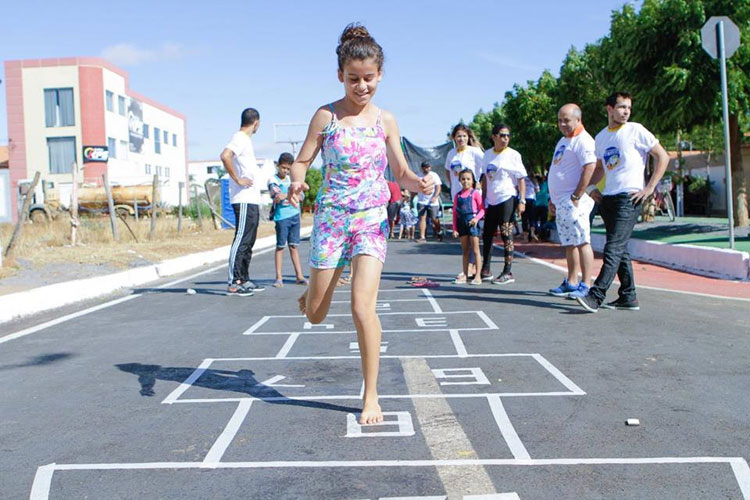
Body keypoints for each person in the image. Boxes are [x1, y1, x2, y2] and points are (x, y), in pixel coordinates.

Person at [287, 23, 434, 424]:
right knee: (316, 314)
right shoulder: (326, 116)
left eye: (369, 78)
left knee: (361, 307)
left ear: (380, 75)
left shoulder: (386, 121)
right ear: (341, 75)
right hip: (331, 219)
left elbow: (400, 172)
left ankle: (371, 395)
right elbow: (302, 161)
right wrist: (297, 181)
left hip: (370, 220)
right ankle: (312, 295)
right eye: (354, 79)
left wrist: (416, 183)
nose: (362, 86)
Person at [576, 92, 669, 312]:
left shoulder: (636, 130)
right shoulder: (601, 137)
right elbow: (599, 168)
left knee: (613, 247)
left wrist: (649, 188)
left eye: (628, 107)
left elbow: (662, 156)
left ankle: (596, 295)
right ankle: (628, 296)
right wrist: (590, 189)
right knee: (620, 249)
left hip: (630, 197)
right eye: (621, 107)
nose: (626, 111)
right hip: (609, 197)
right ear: (609, 109)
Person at [547, 104, 597, 299]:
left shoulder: (584, 141)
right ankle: (572, 281)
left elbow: (590, 167)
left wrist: (577, 195)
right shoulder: (562, 141)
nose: (562, 124)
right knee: (570, 243)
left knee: (583, 241)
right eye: (559, 120)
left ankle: (586, 283)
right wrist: (553, 199)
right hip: (561, 203)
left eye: (566, 120)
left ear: (578, 119)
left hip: (576, 202)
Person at [220, 107, 266, 296]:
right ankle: (233, 281)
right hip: (243, 198)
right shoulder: (239, 137)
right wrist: (238, 180)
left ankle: (243, 279)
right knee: (241, 239)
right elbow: (225, 155)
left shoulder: (246, 140)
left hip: (252, 199)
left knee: (249, 241)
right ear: (256, 122)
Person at [479, 124, 527, 285]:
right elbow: (485, 179)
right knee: (487, 235)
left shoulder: (513, 155)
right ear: (494, 137)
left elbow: (521, 179)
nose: (506, 138)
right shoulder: (487, 155)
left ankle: (508, 271)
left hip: (507, 197)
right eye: (502, 135)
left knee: (506, 234)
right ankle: (485, 269)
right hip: (491, 200)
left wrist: (522, 200)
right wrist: (483, 200)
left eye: (508, 135)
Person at [445, 124, 484, 280]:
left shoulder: (474, 152)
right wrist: (452, 186)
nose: (461, 139)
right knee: (464, 238)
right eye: (458, 136)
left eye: (464, 136)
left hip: (473, 199)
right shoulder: (451, 153)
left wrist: (480, 182)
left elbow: (485, 167)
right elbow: (448, 172)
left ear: (469, 137)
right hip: (458, 196)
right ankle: (469, 268)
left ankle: (474, 269)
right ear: (453, 138)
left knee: (473, 235)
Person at [268, 152, 307, 288]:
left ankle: (299, 276)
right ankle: (279, 277)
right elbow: (276, 196)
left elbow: (301, 195)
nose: (285, 171)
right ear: (278, 166)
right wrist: (290, 194)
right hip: (281, 217)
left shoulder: (292, 180)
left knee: (294, 246)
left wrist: (291, 194)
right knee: (280, 247)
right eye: (283, 167)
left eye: (288, 169)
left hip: (294, 214)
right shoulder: (273, 180)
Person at [452, 170, 485, 285]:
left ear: (472, 180)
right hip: (462, 224)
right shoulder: (458, 196)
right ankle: (465, 275)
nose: (465, 181)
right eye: (463, 179)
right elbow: (455, 213)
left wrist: (476, 219)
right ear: (460, 180)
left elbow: (482, 209)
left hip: (472, 224)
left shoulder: (475, 193)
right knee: (465, 251)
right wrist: (455, 228)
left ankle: (477, 275)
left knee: (475, 250)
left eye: (468, 179)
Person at [416, 161, 442, 242]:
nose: (427, 169)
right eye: (426, 167)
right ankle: (422, 237)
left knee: (434, 218)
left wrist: (435, 197)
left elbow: (438, 187)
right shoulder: (418, 176)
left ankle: (439, 231)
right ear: (422, 168)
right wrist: (412, 199)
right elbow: (414, 188)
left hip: (432, 202)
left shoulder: (434, 175)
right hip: (422, 201)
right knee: (422, 218)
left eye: (428, 167)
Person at [521, 175, 538, 241]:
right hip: (532, 199)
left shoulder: (522, 178)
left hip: (524, 199)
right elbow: (537, 190)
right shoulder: (533, 179)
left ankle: (525, 237)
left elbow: (518, 188)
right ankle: (532, 233)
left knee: (524, 218)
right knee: (532, 217)